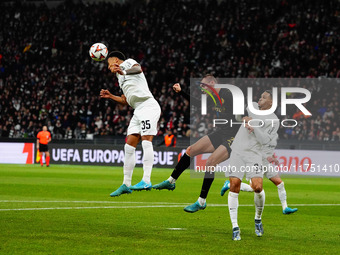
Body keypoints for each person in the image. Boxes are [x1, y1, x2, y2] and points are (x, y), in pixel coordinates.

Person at [153, 75, 239, 213]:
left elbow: (243, 112)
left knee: (210, 162)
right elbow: (198, 104)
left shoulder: (227, 93)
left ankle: (201, 202)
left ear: (212, 83)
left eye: (204, 86)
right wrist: (181, 92)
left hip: (234, 136)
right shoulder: (214, 97)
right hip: (221, 132)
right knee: (190, 150)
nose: (202, 89)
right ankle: (171, 181)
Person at [100, 51, 161, 197]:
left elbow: (138, 69)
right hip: (138, 110)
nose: (109, 67)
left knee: (146, 141)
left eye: (109, 63)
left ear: (115, 59)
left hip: (148, 105)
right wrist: (111, 96)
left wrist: (123, 70)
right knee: (129, 146)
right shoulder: (119, 77)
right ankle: (126, 184)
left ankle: (146, 180)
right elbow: (125, 101)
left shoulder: (127, 63)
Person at [223, 90, 279, 241]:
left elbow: (266, 140)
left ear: (272, 103)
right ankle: (235, 227)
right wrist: (242, 118)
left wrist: (254, 127)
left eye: (264, 97)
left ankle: (258, 219)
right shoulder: (253, 106)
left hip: (254, 154)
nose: (260, 99)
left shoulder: (274, 120)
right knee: (234, 185)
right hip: (238, 151)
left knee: (258, 188)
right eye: (260, 96)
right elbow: (240, 113)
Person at [221, 134, 298, 215]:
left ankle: (285, 208)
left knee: (280, 184)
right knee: (253, 188)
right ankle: (229, 185)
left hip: (265, 163)